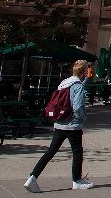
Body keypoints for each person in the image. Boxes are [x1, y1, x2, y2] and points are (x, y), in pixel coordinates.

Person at [25, 59, 94, 192]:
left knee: (50, 151)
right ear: (85, 71)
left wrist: (86, 80)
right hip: (72, 124)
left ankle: (32, 177)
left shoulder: (65, 82)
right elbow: (78, 106)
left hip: (59, 123)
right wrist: (82, 118)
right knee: (77, 152)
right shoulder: (78, 86)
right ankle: (77, 180)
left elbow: (73, 90)